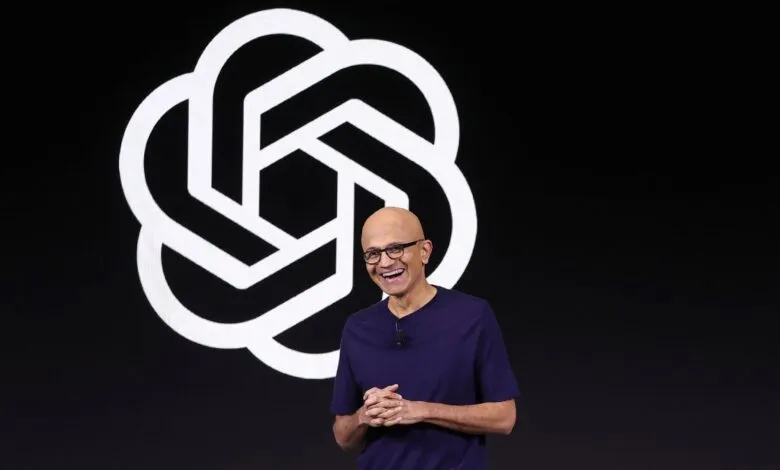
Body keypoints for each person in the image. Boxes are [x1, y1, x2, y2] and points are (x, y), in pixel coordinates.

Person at [330, 207, 520, 469]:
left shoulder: (472, 316)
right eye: (373, 254)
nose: (384, 263)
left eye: (396, 248)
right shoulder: (357, 328)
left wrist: (422, 411)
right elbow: (343, 435)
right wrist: (364, 416)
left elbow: (504, 417)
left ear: (425, 251)